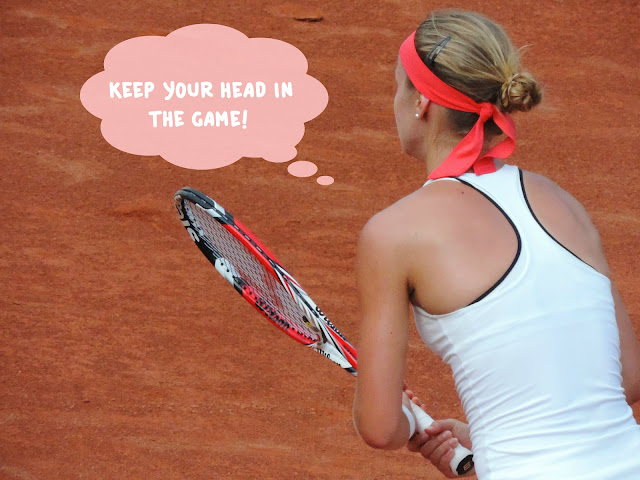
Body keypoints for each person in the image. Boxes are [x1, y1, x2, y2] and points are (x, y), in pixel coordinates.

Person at [351, 9, 640, 479]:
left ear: (421, 102)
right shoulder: (561, 201)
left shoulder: (394, 233)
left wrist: (408, 420)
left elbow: (381, 427)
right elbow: (627, 376)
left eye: (398, 86)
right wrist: (486, 439)